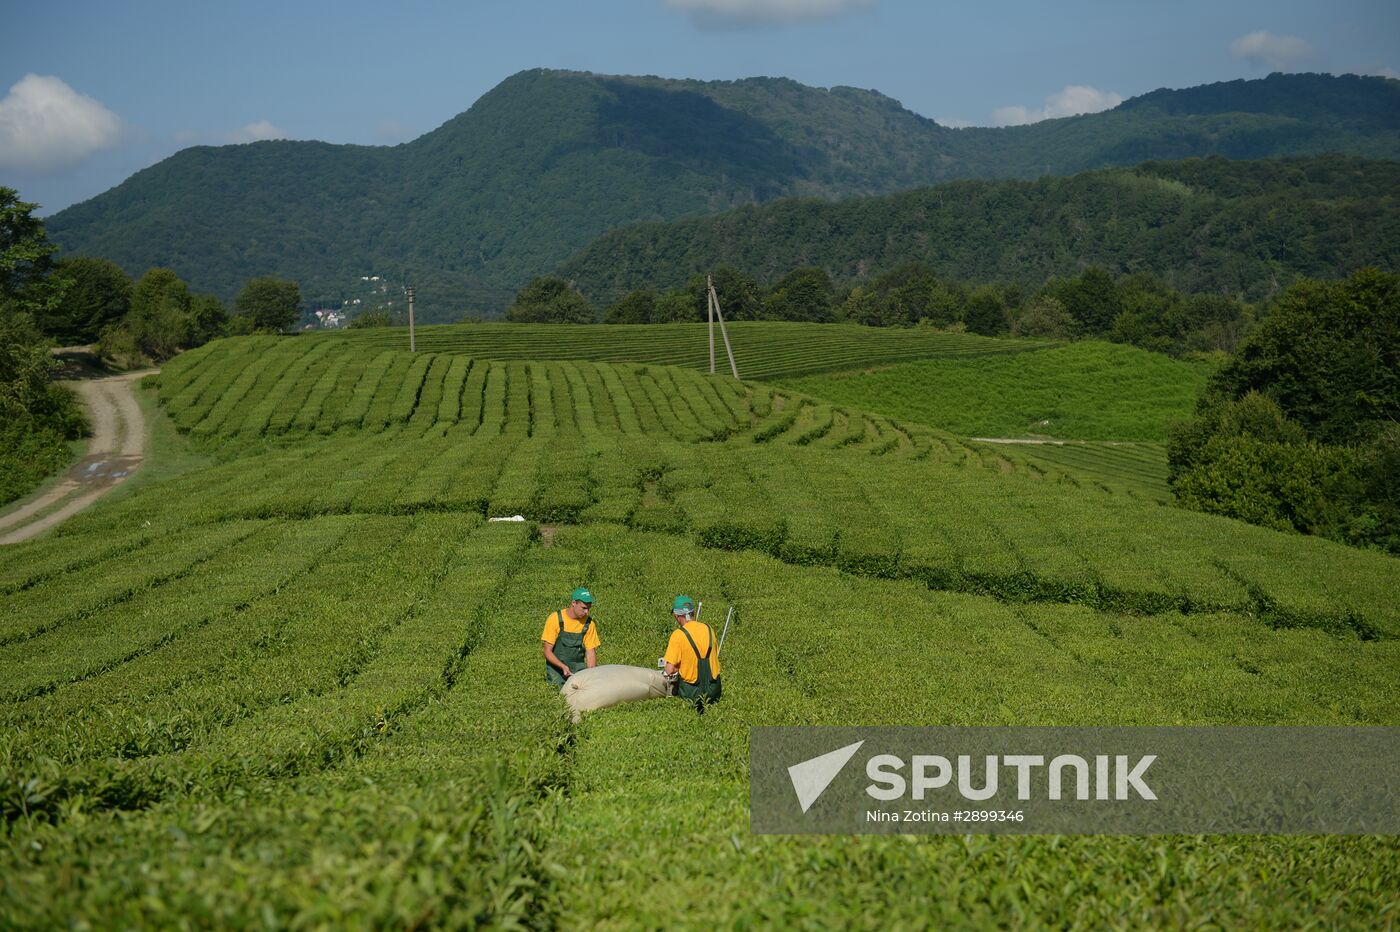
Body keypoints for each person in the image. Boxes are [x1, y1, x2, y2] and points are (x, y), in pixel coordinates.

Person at [663, 594, 722, 710]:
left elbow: (669, 670)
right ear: (693, 613)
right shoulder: (709, 628)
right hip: (714, 690)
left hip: (691, 692)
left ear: (676, 615)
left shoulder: (678, 635)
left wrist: (678, 668)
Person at [542, 586, 600, 686]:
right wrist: (562, 666)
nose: (586, 612)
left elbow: (591, 653)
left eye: (588, 608)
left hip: (577, 671)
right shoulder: (555, 619)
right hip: (556, 671)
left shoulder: (589, 624)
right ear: (574, 603)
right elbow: (547, 651)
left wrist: (591, 675)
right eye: (584, 608)